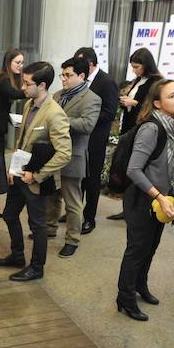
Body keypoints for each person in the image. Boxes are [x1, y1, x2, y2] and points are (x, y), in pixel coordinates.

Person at [116, 79, 174, 322]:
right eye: (172, 96)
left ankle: (140, 285)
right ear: (158, 103)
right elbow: (134, 169)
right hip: (144, 198)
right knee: (137, 250)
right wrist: (159, 196)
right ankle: (125, 298)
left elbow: (169, 162)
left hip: (162, 200)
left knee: (150, 247)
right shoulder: (152, 128)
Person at [0, 61, 71, 282]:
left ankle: (37, 267)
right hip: (20, 174)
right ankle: (17, 256)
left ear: (42, 85)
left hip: (36, 179)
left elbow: (64, 154)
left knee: (38, 225)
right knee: (9, 214)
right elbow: (23, 139)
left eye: (27, 84)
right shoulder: (29, 104)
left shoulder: (55, 114)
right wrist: (13, 167)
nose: (23, 88)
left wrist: (36, 175)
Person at [47, 57, 101, 257]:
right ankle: (50, 228)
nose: (64, 79)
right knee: (51, 195)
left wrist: (59, 120)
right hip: (53, 154)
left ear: (81, 76)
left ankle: (72, 239)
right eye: (62, 75)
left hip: (74, 155)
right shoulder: (58, 95)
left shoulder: (91, 98)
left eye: (68, 75)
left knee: (72, 202)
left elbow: (87, 125)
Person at [110, 49, 162, 221]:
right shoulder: (138, 80)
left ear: (146, 65)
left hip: (143, 128)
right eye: (132, 67)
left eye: (137, 67)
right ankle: (127, 207)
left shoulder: (156, 82)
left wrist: (134, 103)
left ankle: (135, 208)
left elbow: (153, 107)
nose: (134, 70)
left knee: (137, 167)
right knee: (126, 166)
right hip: (129, 126)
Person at [74, 47, 120, 234]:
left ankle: (89, 218)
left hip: (95, 138)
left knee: (92, 180)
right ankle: (74, 212)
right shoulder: (79, 80)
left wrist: (87, 118)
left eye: (80, 63)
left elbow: (110, 112)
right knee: (77, 178)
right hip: (78, 137)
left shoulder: (107, 82)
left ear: (91, 64)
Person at [0, 48, 26, 208]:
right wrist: (30, 91)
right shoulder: (2, 78)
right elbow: (14, 94)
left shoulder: (6, 77)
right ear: (9, 62)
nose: (20, 66)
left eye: (22, 62)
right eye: (17, 62)